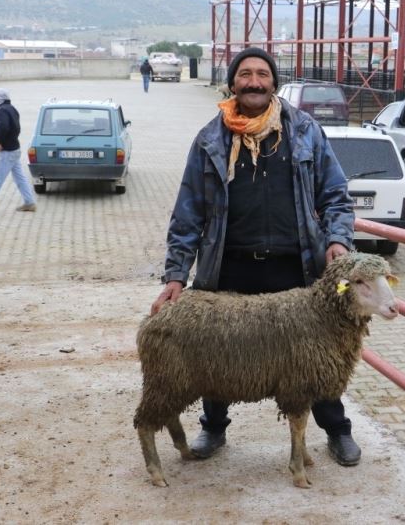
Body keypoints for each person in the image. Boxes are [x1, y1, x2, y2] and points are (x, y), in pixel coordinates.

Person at [150, 47, 361, 466]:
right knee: (218, 351)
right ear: (233, 83)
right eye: (244, 74)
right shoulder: (211, 139)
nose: (253, 81)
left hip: (296, 264)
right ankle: (213, 429)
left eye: (262, 74)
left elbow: (336, 196)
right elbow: (188, 212)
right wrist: (176, 275)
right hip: (230, 263)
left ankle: (337, 430)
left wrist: (338, 240)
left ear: (273, 83)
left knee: (315, 355)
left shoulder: (305, 131)